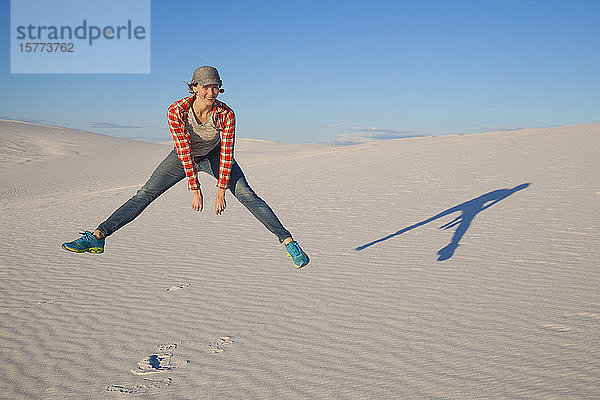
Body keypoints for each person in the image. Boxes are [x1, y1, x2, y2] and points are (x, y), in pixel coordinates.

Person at [62, 66, 309, 268]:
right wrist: (196, 187)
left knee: (248, 196)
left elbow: (227, 152)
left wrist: (222, 188)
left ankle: (288, 242)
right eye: (205, 87)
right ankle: (97, 237)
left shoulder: (226, 114)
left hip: (215, 156)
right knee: (145, 195)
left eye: (215, 87)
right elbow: (183, 149)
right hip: (183, 157)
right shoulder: (176, 110)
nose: (211, 93)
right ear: (194, 88)